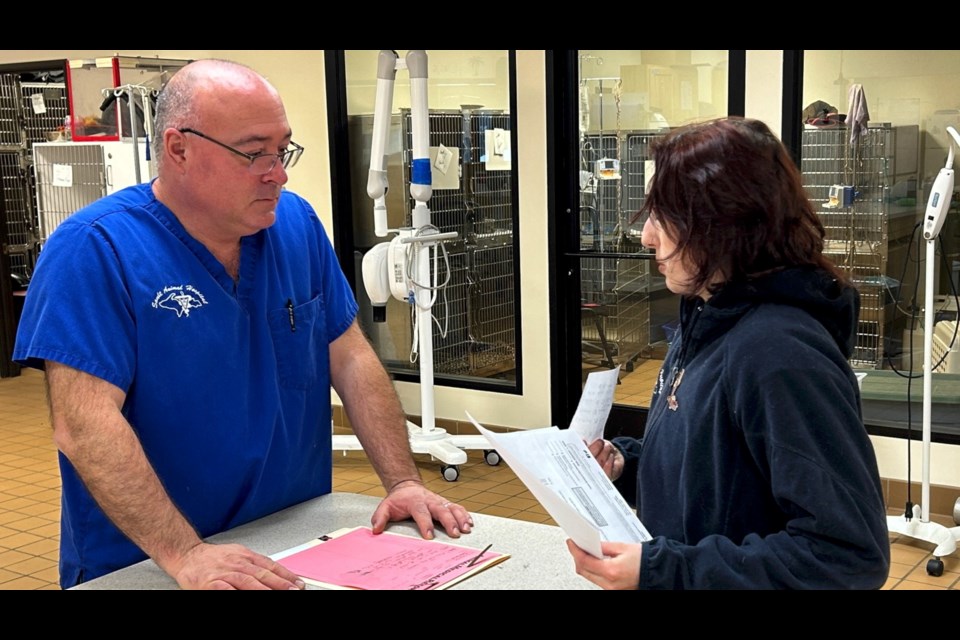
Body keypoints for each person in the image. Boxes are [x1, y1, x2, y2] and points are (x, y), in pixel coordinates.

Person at [13, 59, 473, 590]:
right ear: (179, 148)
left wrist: (403, 482)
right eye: (254, 153)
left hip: (295, 541)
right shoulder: (95, 251)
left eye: (283, 151)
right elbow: (84, 425)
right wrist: (184, 554)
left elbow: (349, 356)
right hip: (149, 561)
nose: (276, 172)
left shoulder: (294, 225)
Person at [567, 117, 890, 590]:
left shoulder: (779, 352)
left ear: (722, 222)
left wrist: (667, 571)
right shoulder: (706, 316)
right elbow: (718, 476)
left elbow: (847, 554)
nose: (646, 236)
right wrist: (625, 463)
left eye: (662, 216)